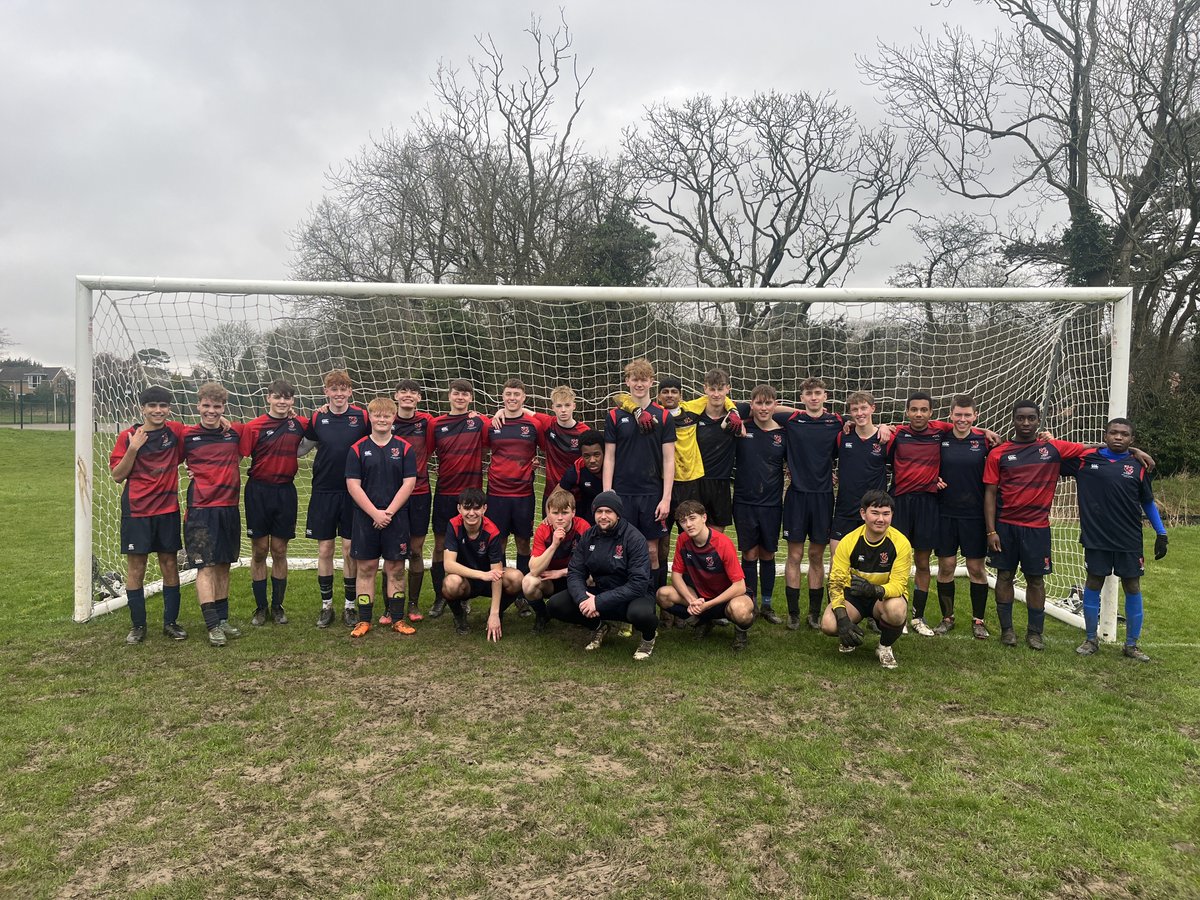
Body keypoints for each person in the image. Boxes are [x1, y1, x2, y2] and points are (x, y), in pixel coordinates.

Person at [983, 400, 1102, 650]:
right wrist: (991, 530)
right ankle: (1007, 631)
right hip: (1005, 527)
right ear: (1013, 420)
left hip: (1037, 528)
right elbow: (990, 493)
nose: (1026, 423)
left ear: (1039, 421)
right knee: (1004, 576)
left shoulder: (1052, 448)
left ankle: (1034, 633)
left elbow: (1093, 449)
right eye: (1021, 418)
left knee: (1035, 580)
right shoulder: (999, 453)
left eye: (1031, 418)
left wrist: (1133, 452)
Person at [1067, 418, 1167, 662]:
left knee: (1132, 586)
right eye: (1113, 433)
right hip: (1096, 538)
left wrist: (1161, 532)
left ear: (1131, 439)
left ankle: (1131, 645)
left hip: (1129, 540)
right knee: (1093, 582)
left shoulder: (1138, 465)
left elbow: (1147, 502)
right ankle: (1091, 639)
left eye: (1124, 434)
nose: (1118, 437)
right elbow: (1061, 451)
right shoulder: (1085, 460)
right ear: (1105, 435)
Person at [109, 386, 187, 644]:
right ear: (142, 408)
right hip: (137, 512)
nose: (158, 410)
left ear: (169, 408)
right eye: (152, 405)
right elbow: (118, 475)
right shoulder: (128, 435)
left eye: (163, 405)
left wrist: (221, 421)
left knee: (169, 564)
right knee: (137, 568)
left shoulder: (175, 431)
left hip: (167, 510)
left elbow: (200, 435)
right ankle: (138, 626)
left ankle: (171, 623)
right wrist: (133, 448)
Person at [546, 491, 658, 660]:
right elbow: (575, 572)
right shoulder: (589, 536)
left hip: (632, 596)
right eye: (599, 512)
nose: (603, 516)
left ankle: (648, 638)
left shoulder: (635, 539)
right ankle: (599, 627)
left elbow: (638, 584)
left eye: (608, 512)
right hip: (599, 591)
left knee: (640, 614)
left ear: (618, 514)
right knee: (555, 605)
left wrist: (598, 602)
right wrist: (583, 599)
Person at [302, 370, 370, 629]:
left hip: (353, 492)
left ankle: (350, 607)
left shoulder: (362, 417)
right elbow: (300, 449)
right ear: (326, 392)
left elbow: (382, 435)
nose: (339, 393)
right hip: (323, 492)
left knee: (349, 549)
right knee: (325, 550)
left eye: (344, 388)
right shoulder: (317, 417)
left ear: (350, 392)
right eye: (334, 389)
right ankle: (326, 606)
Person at [345, 397, 418, 637]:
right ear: (371, 418)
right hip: (366, 518)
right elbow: (353, 485)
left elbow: (409, 483)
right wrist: (374, 513)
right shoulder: (357, 449)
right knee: (365, 567)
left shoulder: (404, 448)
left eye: (387, 416)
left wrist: (388, 512)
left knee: (396, 567)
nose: (382, 419)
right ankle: (364, 620)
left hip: (395, 518)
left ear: (393, 418)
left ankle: (398, 619)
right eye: (377, 415)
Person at [239, 380, 309, 626]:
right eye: (278, 397)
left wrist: (322, 412)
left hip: (285, 492)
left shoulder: (299, 423)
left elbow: (321, 433)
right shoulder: (253, 427)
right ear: (268, 398)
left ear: (292, 401)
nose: (282, 402)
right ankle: (260, 608)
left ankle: (278, 606)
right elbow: (233, 454)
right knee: (259, 551)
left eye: (287, 398)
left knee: (279, 550)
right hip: (258, 491)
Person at [603, 359, 676, 592]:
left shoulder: (663, 417)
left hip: (651, 493)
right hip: (622, 493)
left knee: (652, 550)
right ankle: (625, 603)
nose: (639, 384)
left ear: (651, 382)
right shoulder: (614, 416)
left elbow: (669, 460)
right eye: (635, 379)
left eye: (644, 379)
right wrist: (607, 493)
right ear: (627, 381)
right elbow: (610, 457)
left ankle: (650, 602)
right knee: (621, 549)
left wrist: (666, 498)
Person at [181, 382, 244, 647]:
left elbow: (242, 448)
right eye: (206, 406)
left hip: (228, 508)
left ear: (223, 408)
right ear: (198, 405)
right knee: (204, 566)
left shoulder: (234, 434)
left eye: (216, 407)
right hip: (200, 510)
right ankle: (211, 625)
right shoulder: (185, 436)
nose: (211, 411)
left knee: (223, 565)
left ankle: (223, 618)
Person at [821, 490, 913, 670]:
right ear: (863, 514)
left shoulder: (901, 543)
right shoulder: (849, 541)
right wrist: (842, 619)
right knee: (829, 624)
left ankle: (884, 646)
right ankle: (849, 636)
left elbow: (899, 584)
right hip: (854, 597)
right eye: (875, 513)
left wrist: (876, 590)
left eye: (886, 514)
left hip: (882, 598)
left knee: (897, 609)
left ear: (892, 515)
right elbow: (836, 582)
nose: (881, 519)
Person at [888, 391, 954, 636]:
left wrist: (986, 432)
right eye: (913, 409)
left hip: (928, 503)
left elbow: (963, 427)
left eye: (923, 410)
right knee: (896, 561)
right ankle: (896, 613)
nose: (918, 414)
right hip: (901, 502)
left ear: (931, 413)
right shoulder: (897, 434)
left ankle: (917, 616)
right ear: (907, 412)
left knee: (922, 562)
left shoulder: (939, 432)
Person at [780, 377, 842, 630]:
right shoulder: (792, 421)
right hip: (796, 495)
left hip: (824, 496)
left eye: (818, 393)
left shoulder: (838, 422)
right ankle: (793, 613)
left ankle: (814, 614)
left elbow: (866, 427)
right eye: (808, 393)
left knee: (817, 555)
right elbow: (767, 407)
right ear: (802, 397)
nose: (814, 397)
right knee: (794, 555)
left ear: (825, 396)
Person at [656, 500, 755, 651]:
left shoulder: (723, 543)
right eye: (683, 521)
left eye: (692, 518)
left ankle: (741, 633)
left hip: (726, 599)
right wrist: (692, 601)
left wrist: (708, 605)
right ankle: (701, 622)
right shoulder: (682, 540)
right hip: (700, 597)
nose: (688, 524)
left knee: (741, 610)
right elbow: (676, 575)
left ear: (704, 518)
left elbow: (739, 586)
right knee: (662, 594)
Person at [428, 379, 489, 617]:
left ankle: (464, 595)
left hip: (471, 496)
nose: (460, 397)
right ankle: (439, 596)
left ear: (471, 398)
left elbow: (491, 445)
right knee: (441, 545)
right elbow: (427, 453)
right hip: (444, 492)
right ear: (449, 396)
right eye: (456, 393)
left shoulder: (479, 422)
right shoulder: (437, 423)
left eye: (465, 394)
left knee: (467, 545)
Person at [934, 395, 992, 639]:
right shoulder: (940, 438)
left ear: (975, 416)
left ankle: (979, 620)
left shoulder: (985, 441)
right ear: (951, 415)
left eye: (967, 415)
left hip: (974, 517)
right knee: (946, 566)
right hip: (945, 513)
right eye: (958, 414)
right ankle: (947, 618)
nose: (962, 419)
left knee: (975, 568)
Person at [732, 384, 787, 623]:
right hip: (744, 501)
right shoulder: (741, 428)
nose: (763, 408)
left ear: (775, 405)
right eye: (759, 403)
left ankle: (767, 604)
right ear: (751, 405)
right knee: (749, 553)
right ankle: (750, 601)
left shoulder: (784, 433)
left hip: (772, 503)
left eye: (768, 403)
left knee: (767, 553)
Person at [486, 378, 543, 604]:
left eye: (516, 395)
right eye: (508, 394)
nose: (512, 398)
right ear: (502, 396)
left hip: (523, 495)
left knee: (523, 542)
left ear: (523, 398)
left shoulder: (533, 425)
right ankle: (498, 588)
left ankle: (521, 593)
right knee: (498, 542)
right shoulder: (492, 425)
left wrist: (534, 462)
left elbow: (547, 437)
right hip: (497, 494)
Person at [441, 488, 524, 640]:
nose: (471, 513)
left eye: (476, 508)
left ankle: (496, 613)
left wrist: (494, 614)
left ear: (484, 508)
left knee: (517, 578)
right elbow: (448, 565)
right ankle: (459, 616)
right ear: (459, 508)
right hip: (466, 581)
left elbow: (497, 572)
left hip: (489, 580)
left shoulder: (492, 531)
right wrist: (481, 575)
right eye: (467, 507)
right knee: (450, 583)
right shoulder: (453, 525)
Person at [391, 379, 437, 621]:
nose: (408, 395)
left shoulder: (427, 422)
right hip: (390, 495)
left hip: (419, 492)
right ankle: (391, 604)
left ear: (419, 398)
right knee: (393, 552)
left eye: (413, 392)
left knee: (416, 550)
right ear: (396, 396)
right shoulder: (385, 419)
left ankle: (413, 604)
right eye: (403, 391)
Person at [522, 487, 590, 633]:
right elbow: (534, 569)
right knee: (528, 582)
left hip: (575, 578)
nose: (560, 518)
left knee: (592, 577)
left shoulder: (583, 527)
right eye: (555, 513)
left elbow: (591, 564)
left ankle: (585, 615)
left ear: (573, 512)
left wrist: (561, 572)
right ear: (549, 514)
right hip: (550, 581)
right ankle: (542, 615)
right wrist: (554, 545)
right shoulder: (543, 529)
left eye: (564, 513)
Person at [830, 391, 890, 554]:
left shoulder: (885, 438)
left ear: (873, 408)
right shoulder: (843, 437)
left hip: (874, 511)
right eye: (855, 409)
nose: (859, 413)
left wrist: (884, 426)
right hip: (845, 509)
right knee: (837, 559)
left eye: (863, 408)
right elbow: (822, 456)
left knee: (872, 564)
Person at [558, 430, 605, 523]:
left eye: (597, 455)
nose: (592, 460)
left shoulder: (617, 467)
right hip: (587, 516)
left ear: (604, 452)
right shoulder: (577, 470)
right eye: (587, 456)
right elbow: (554, 497)